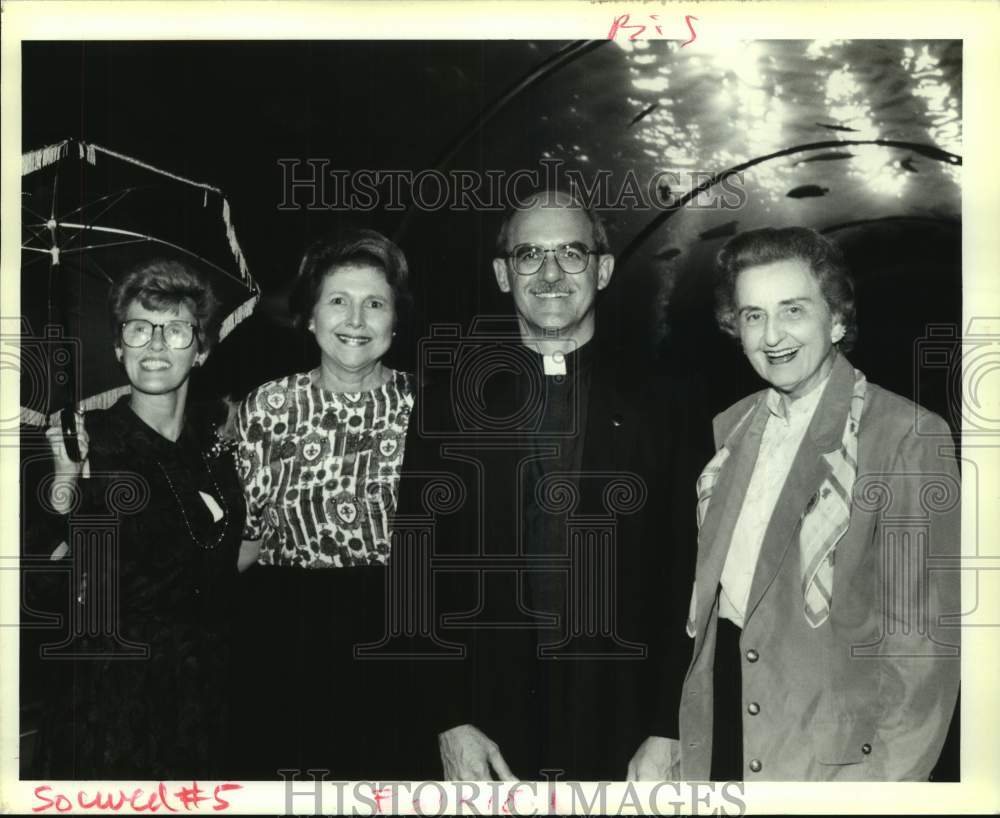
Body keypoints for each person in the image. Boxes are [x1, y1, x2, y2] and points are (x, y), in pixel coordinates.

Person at [395, 189, 707, 781]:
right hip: (490, 719)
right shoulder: (447, 405)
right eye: (529, 255)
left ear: (604, 268)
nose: (551, 273)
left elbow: (686, 575)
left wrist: (670, 726)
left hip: (627, 718)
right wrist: (449, 720)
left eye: (571, 253)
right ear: (502, 274)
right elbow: (417, 571)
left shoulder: (669, 402)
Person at [679, 226, 961, 780]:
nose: (772, 335)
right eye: (753, 316)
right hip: (726, 737)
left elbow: (923, 652)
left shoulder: (905, 435)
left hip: (831, 763)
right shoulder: (731, 429)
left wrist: (878, 791)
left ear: (835, 319)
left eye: (793, 310)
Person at [40, 258, 245, 779]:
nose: (155, 344)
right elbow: (67, 575)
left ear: (200, 350)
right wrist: (67, 478)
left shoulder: (216, 448)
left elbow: (221, 559)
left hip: (211, 696)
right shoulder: (92, 443)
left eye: (175, 330)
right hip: (118, 703)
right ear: (118, 347)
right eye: (139, 329)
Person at [230, 228, 420, 779]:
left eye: (375, 304)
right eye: (338, 301)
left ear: (395, 321)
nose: (356, 321)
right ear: (310, 317)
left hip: (398, 633)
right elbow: (244, 538)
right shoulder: (267, 406)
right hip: (288, 635)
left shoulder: (427, 406)